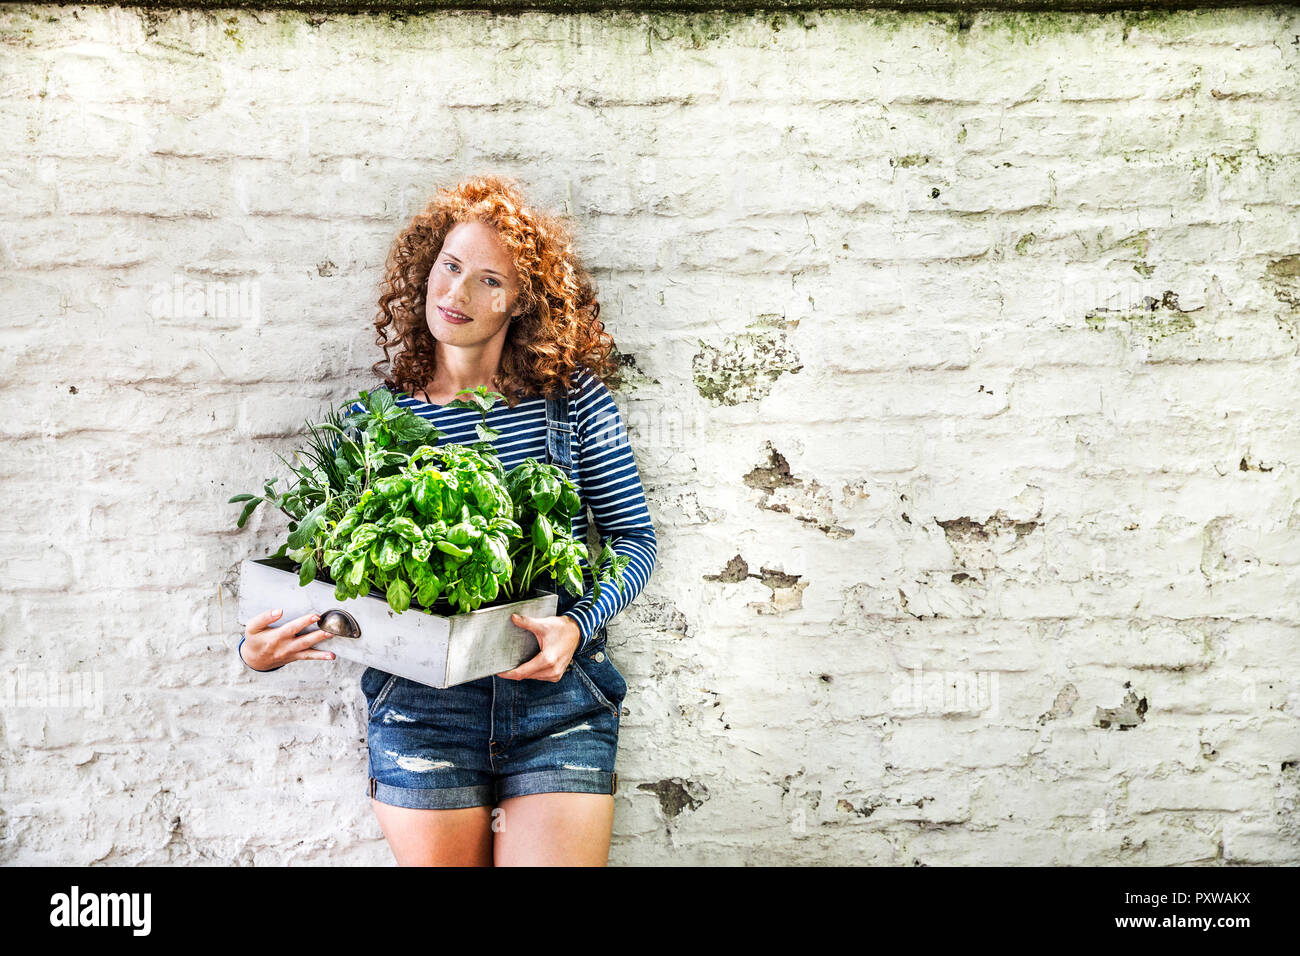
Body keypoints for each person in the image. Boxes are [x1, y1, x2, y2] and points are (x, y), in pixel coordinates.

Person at [238, 175, 658, 865]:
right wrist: (262, 648)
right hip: (421, 707)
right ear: (427, 268)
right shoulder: (372, 423)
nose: (457, 295)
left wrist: (577, 625)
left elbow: (634, 540)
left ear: (523, 303)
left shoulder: (573, 404)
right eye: (451, 267)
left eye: (490, 281)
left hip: (555, 695)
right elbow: (328, 573)